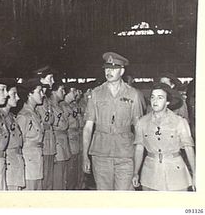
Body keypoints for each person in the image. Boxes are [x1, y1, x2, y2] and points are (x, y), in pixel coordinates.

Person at [83, 52, 143, 190]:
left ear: (122, 71)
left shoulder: (133, 94)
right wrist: (85, 156)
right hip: (101, 153)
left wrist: (138, 161)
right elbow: (88, 127)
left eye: (114, 68)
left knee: (124, 197)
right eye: (107, 68)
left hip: (125, 154)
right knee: (104, 196)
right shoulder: (96, 93)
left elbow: (139, 128)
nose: (109, 71)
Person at [132, 83, 195, 191]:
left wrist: (195, 173)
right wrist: (135, 172)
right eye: (153, 97)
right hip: (150, 175)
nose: (155, 101)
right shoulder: (142, 122)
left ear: (167, 102)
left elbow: (189, 149)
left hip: (176, 174)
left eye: (160, 98)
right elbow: (139, 149)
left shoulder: (179, 122)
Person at [16, 78, 45, 190]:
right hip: (28, 162)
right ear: (29, 94)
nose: (42, 95)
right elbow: (19, 143)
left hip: (37, 159)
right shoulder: (23, 116)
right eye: (39, 91)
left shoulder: (35, 114)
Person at [0, 80, 26, 190]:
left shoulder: (10, 116)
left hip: (16, 163)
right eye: (14, 94)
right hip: (9, 166)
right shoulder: (0, 118)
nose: (18, 98)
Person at [32, 65, 56, 190]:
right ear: (41, 80)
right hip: (41, 144)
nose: (53, 81)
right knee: (43, 180)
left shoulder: (47, 99)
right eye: (50, 78)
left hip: (50, 143)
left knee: (49, 179)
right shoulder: (36, 100)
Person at [50, 82, 71, 190]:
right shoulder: (50, 106)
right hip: (57, 145)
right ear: (53, 91)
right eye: (61, 90)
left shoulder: (60, 106)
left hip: (63, 144)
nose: (64, 92)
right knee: (58, 179)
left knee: (63, 178)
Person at [61, 82, 80, 190]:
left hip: (74, 139)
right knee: (69, 170)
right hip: (69, 140)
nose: (75, 94)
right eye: (73, 91)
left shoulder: (70, 106)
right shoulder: (63, 106)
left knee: (73, 168)